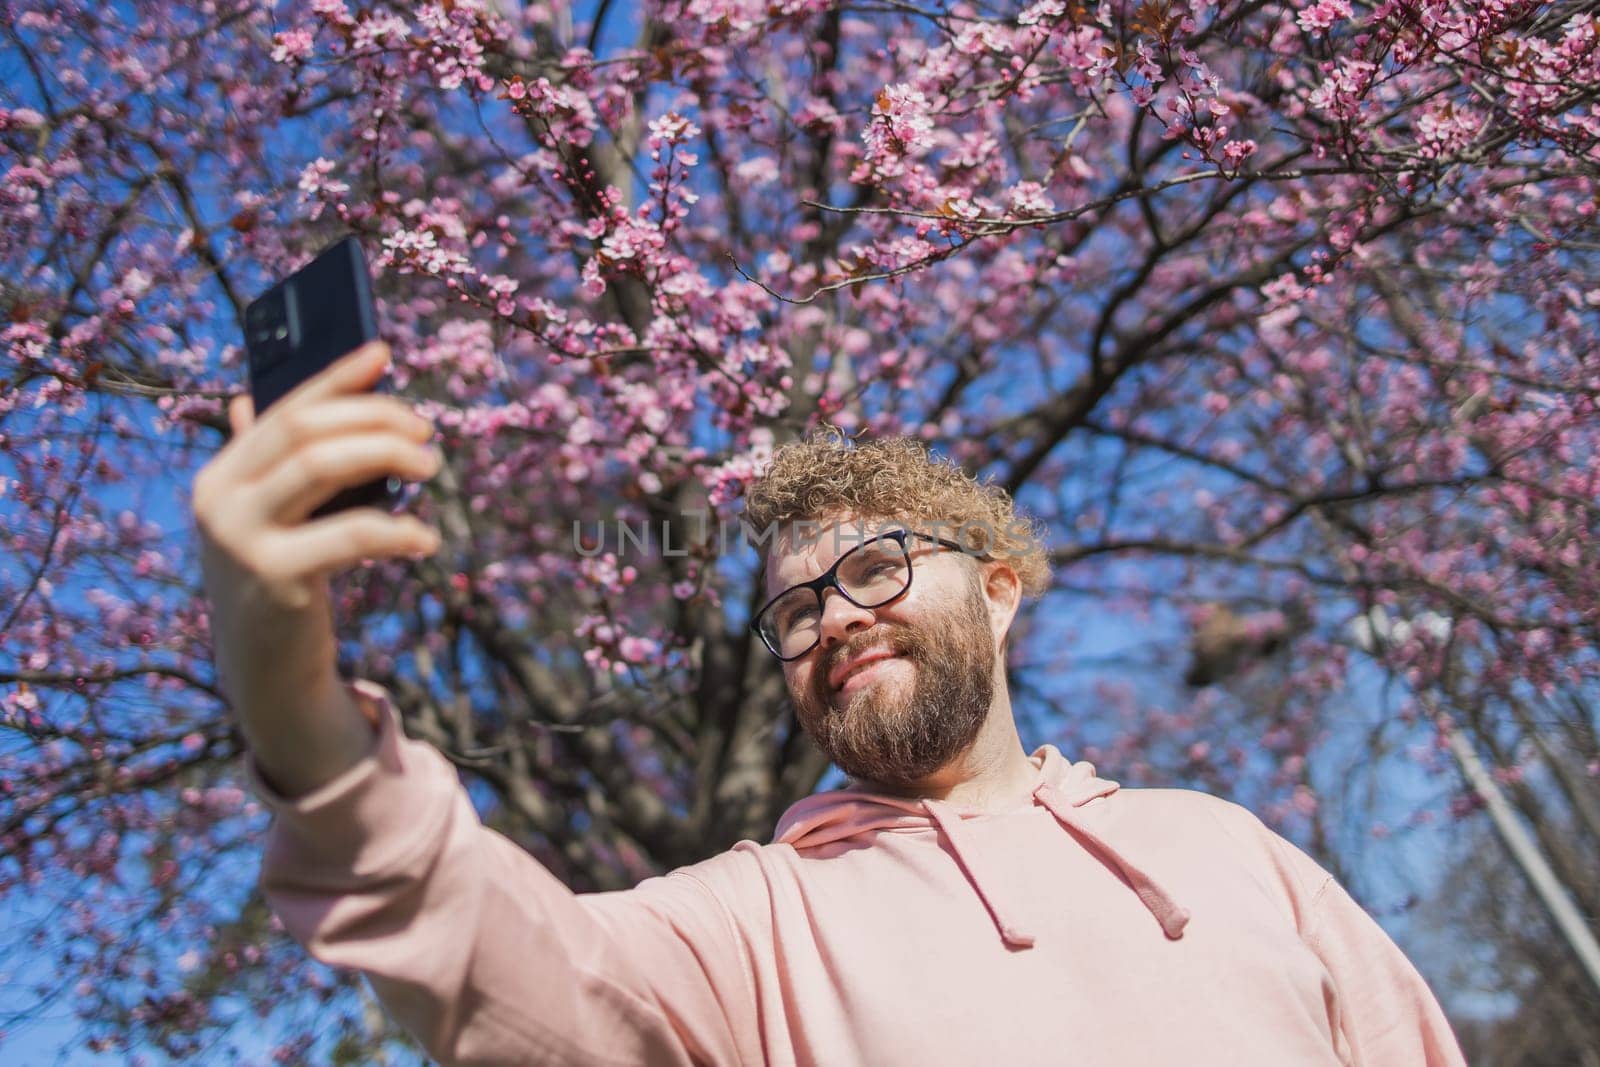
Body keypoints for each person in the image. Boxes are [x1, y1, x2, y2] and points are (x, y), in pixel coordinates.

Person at [194, 341, 1467, 1066]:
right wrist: (290, 691)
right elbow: (499, 955)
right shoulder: (751, 923)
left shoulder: (1222, 845)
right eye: (795, 611)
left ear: (1001, 590)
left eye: (873, 569)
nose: (834, 617)